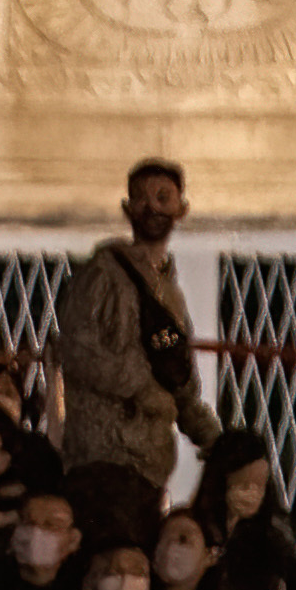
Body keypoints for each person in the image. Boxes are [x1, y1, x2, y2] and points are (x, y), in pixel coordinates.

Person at [53, 161, 220, 492]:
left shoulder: (171, 292)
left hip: (151, 466)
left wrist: (212, 438)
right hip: (102, 458)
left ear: (181, 208)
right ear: (127, 207)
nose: (152, 207)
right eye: (141, 198)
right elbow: (78, 349)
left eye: (162, 197)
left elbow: (177, 375)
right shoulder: (103, 273)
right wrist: (145, 390)